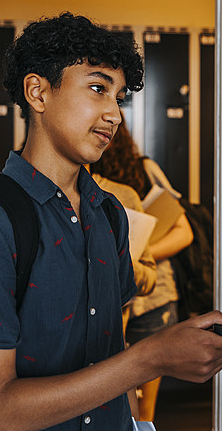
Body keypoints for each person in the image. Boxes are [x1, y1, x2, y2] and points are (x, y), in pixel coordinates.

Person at [0, 12, 222, 430]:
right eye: (98, 89)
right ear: (38, 93)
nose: (114, 114)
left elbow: (109, 352)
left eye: (119, 97)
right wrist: (153, 357)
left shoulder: (110, 213)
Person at [90, 115, 193, 422]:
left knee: (141, 408)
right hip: (113, 299)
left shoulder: (141, 172)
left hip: (151, 293)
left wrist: (132, 256)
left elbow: (184, 232)